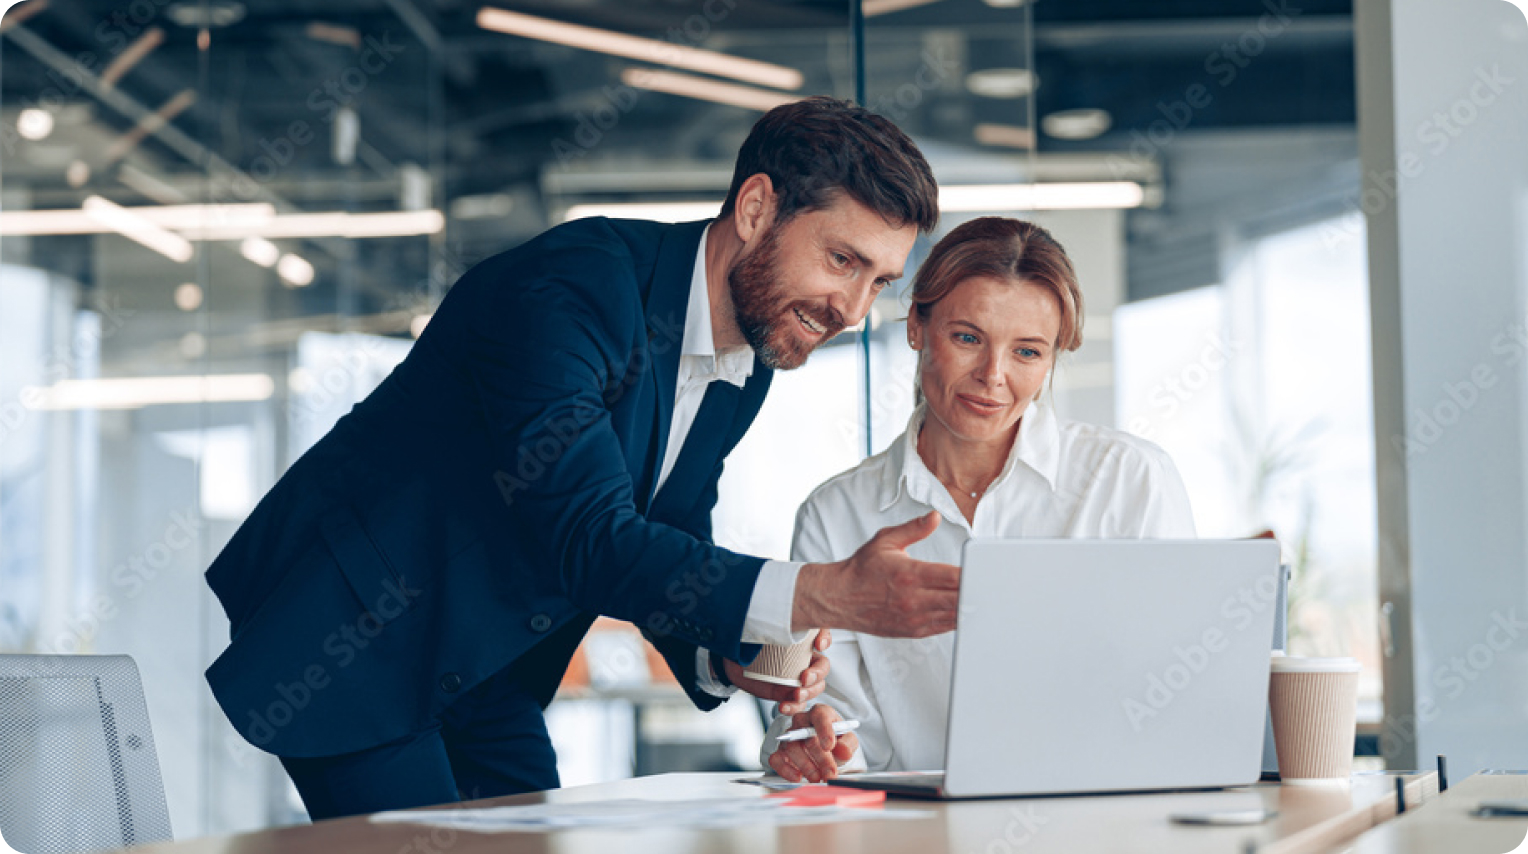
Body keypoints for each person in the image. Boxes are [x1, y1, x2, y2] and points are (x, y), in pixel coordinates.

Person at [203, 97, 961, 820]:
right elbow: (589, 535)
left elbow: (668, 529)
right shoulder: (575, 287)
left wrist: (739, 657)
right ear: (756, 208)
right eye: (841, 260)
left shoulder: (748, 357)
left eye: (880, 282)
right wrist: (821, 594)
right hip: (358, 635)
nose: (854, 310)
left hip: (487, 662)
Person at [761, 217, 1197, 782]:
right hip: (914, 837)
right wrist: (815, 740)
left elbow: (1180, 685)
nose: (993, 376)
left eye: (1028, 353)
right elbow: (828, 719)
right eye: (967, 338)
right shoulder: (836, 515)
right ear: (917, 325)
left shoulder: (1129, 481)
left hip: (1099, 820)